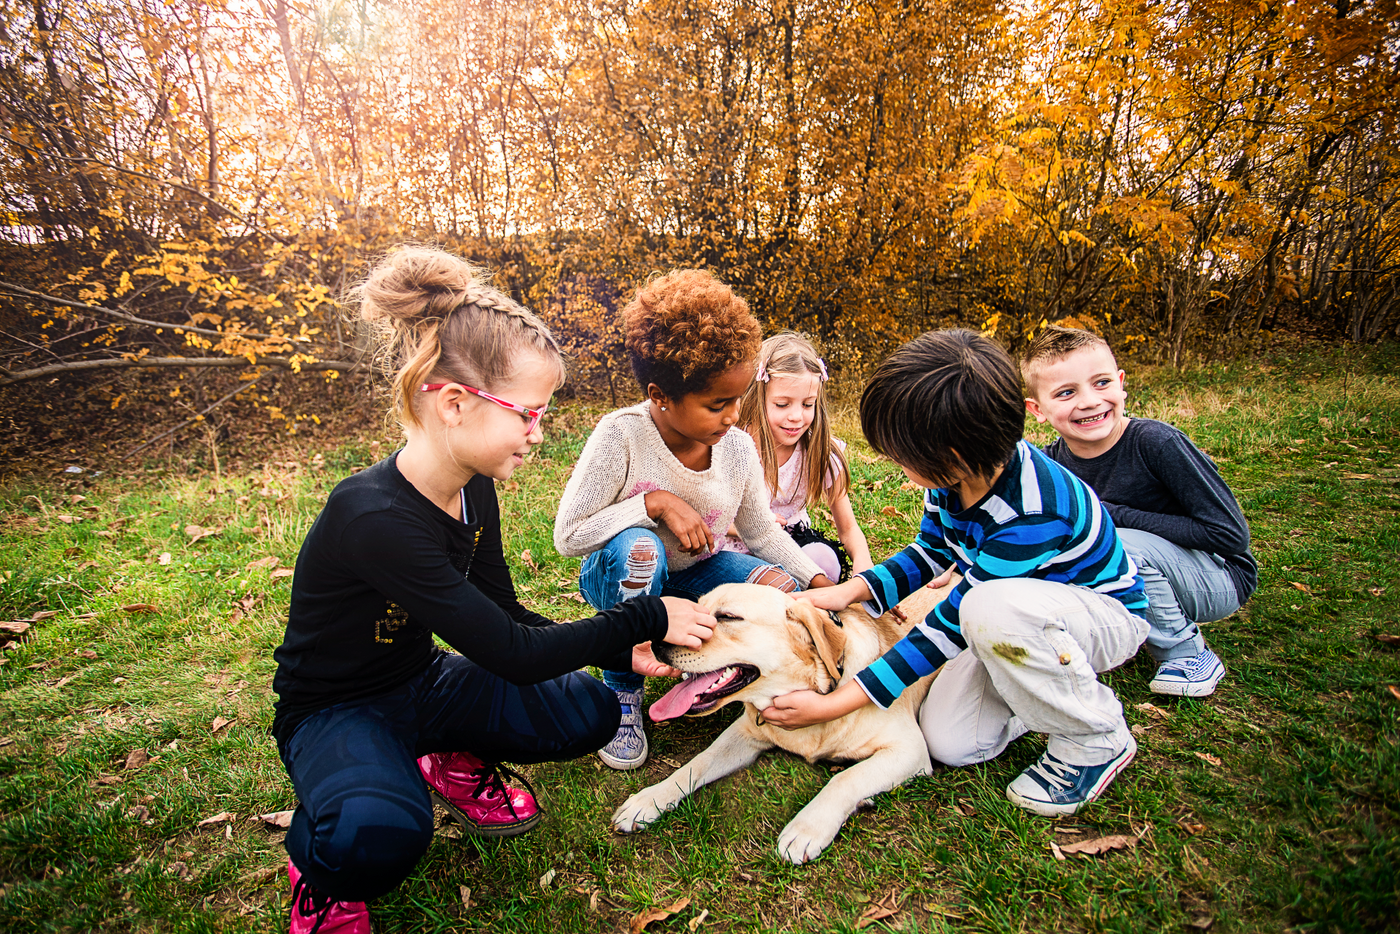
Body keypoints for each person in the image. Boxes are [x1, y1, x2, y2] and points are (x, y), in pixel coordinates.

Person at [271, 247, 717, 934]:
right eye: (527, 415)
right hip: (336, 709)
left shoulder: (474, 488)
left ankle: (447, 754)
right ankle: (322, 872)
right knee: (377, 831)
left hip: (422, 681)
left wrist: (624, 650)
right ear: (454, 403)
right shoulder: (372, 518)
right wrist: (646, 614)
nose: (537, 434)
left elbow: (504, 615)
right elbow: (511, 652)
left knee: (590, 711)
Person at [764, 328, 1150, 817]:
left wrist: (836, 705)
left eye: (902, 458)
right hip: (1011, 620)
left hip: (1100, 616)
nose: (898, 467)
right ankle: (1037, 688)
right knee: (950, 743)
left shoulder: (1031, 511)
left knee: (986, 608)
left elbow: (947, 626)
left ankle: (1096, 737)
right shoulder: (954, 479)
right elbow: (929, 552)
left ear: (952, 457)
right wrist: (852, 592)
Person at [554, 270, 833, 771]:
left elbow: (760, 531)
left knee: (780, 586)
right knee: (642, 547)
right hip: (622, 576)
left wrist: (814, 583)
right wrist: (653, 503)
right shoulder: (622, 436)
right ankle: (622, 691)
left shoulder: (737, 446)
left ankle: (734, 674)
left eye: (739, 399)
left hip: (699, 574)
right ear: (661, 395)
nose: (732, 417)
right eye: (716, 404)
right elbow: (569, 535)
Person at [1022, 326, 1255, 697]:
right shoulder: (1049, 466)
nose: (1089, 401)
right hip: (1137, 572)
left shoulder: (1157, 443)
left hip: (1216, 577)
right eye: (1066, 393)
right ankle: (1115, 633)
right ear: (1038, 410)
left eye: (1101, 383)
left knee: (1115, 544)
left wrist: (1112, 514)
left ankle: (1187, 654)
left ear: (1121, 383)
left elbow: (1230, 535)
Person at [722, 332, 874, 581]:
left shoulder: (820, 451)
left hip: (793, 543)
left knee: (825, 562)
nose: (796, 416)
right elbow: (705, 517)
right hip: (737, 545)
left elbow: (848, 529)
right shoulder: (732, 447)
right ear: (759, 398)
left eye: (807, 404)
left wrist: (865, 568)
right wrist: (750, 526)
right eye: (783, 404)